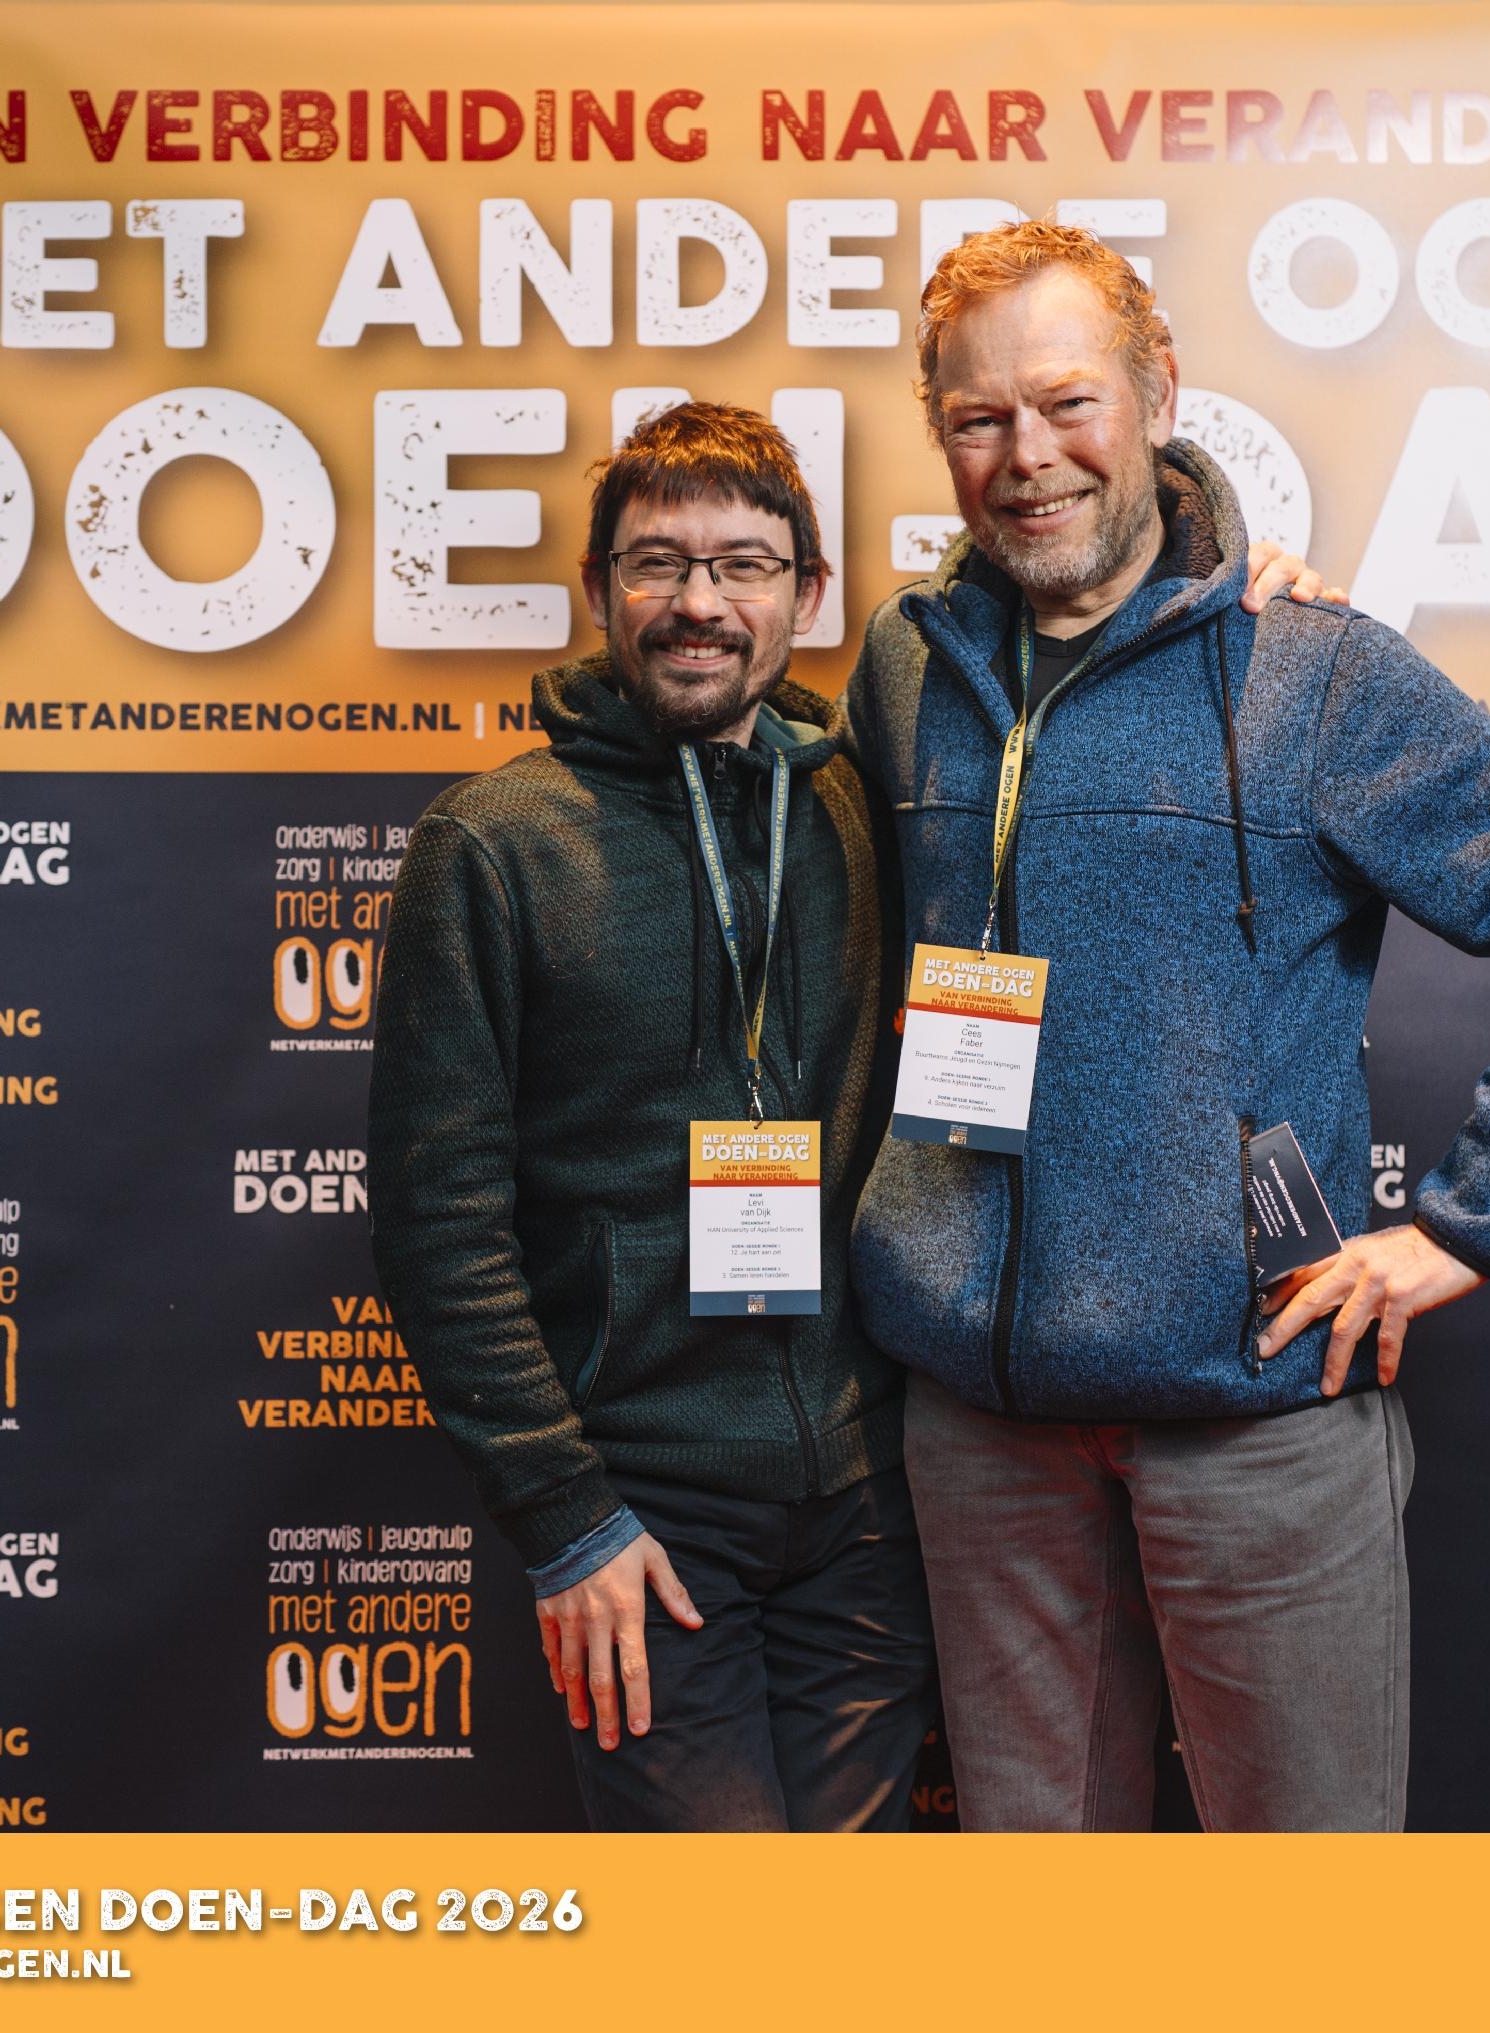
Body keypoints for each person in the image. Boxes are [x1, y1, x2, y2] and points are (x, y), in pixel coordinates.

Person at [369, 400, 1333, 1829]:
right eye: (656, 563)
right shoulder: (492, 845)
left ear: (808, 593)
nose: (700, 603)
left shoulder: (860, 800)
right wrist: (565, 1519)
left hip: (872, 1502)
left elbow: (1069, 655)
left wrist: (1231, 581)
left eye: (745, 565)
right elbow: (437, 1223)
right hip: (646, 1510)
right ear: (598, 588)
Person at [844, 221, 1490, 1831]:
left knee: (1303, 1913)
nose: (1026, 456)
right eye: (976, 418)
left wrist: (1462, 1229)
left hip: (1254, 1412)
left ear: (1157, 393)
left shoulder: (1309, 671)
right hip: (979, 1427)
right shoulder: (904, 666)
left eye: (1067, 402)